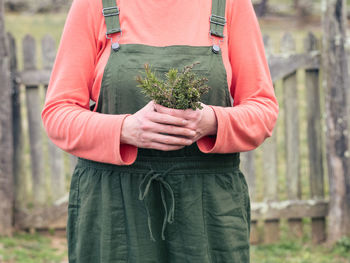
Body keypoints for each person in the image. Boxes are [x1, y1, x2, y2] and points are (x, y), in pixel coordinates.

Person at [41, 0, 278, 262]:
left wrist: (211, 121)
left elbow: (263, 111)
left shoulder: (229, 4)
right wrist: (124, 130)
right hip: (114, 209)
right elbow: (58, 113)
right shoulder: (94, 4)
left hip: (207, 209)